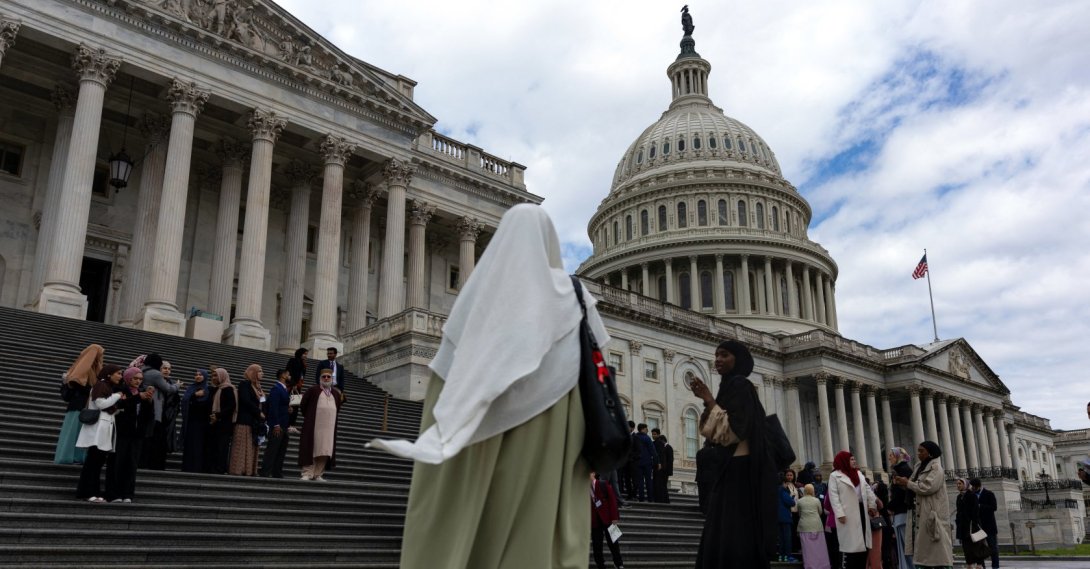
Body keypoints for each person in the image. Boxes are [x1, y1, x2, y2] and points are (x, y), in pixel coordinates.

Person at [368, 204, 606, 568]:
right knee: (541, 532)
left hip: (487, 434)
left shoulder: (483, 296)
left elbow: (447, 376)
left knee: (481, 527)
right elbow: (600, 366)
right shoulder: (576, 299)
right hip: (560, 437)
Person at [690, 340, 777, 568]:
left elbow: (734, 432)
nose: (718, 359)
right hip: (729, 470)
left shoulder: (740, 385)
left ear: (738, 359)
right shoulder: (728, 386)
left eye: (724, 355)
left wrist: (709, 400)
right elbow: (714, 434)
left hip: (739, 471)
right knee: (723, 534)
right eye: (716, 354)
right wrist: (710, 401)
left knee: (733, 534)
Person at [891, 442, 954, 569]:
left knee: (935, 551)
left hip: (931, 513)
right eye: (918, 451)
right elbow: (915, 485)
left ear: (930, 453)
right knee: (921, 552)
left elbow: (927, 487)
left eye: (922, 451)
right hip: (918, 513)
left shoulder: (936, 468)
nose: (918, 453)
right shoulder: (919, 466)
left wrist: (907, 483)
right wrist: (904, 484)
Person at [74, 365, 124, 503]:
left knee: (96, 463)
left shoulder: (105, 386)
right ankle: (87, 492)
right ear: (109, 374)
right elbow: (101, 404)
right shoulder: (101, 385)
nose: (120, 376)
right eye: (118, 373)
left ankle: (93, 492)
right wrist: (117, 396)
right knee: (93, 462)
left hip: (103, 430)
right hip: (98, 430)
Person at [55, 355, 110, 465]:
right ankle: (71, 456)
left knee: (81, 433)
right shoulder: (80, 372)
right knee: (74, 432)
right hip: (79, 407)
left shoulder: (94, 372)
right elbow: (83, 388)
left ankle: (79, 456)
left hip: (84, 407)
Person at [111, 367, 154, 502]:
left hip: (137, 435)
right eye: (135, 378)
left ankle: (128, 494)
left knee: (132, 464)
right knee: (118, 463)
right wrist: (136, 398)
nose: (138, 381)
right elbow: (119, 406)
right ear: (128, 378)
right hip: (122, 433)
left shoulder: (142, 393)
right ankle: (115, 493)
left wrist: (148, 402)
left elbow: (148, 416)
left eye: (140, 379)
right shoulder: (120, 390)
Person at [829, 451, 878, 569]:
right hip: (847, 515)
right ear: (844, 461)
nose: (854, 461)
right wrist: (840, 513)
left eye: (854, 459)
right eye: (851, 459)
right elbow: (833, 496)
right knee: (849, 548)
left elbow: (868, 491)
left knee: (862, 547)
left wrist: (872, 505)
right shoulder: (835, 476)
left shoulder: (859, 474)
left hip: (861, 512)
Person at [298, 368, 344, 480]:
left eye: (329, 377)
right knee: (312, 448)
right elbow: (303, 405)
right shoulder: (313, 390)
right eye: (324, 377)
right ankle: (307, 473)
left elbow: (337, 408)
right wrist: (309, 417)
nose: (326, 378)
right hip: (314, 425)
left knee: (325, 450)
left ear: (332, 379)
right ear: (320, 378)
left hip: (329, 427)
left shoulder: (336, 394)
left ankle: (318, 473)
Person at [140, 353, 178, 470]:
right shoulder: (156, 375)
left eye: (169, 369)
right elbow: (168, 389)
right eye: (164, 367)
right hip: (155, 413)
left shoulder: (143, 371)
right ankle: (150, 464)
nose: (166, 370)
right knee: (152, 440)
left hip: (155, 413)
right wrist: (177, 385)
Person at [228, 364, 264, 476]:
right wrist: (258, 412)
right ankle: (238, 469)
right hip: (244, 420)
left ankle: (249, 469)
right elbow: (245, 400)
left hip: (254, 422)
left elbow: (262, 403)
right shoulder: (245, 384)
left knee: (251, 446)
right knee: (242, 445)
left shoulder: (258, 387)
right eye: (259, 371)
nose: (262, 373)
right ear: (253, 373)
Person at [260, 369, 291, 478]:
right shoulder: (276, 389)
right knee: (272, 449)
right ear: (283, 375)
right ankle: (265, 472)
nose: (290, 376)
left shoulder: (284, 389)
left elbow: (280, 406)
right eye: (288, 374)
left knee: (281, 449)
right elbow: (273, 407)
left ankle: (276, 472)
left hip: (284, 424)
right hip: (277, 425)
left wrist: (288, 409)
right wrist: (276, 424)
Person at [887, 447, 915, 569]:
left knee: (907, 547)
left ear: (898, 456)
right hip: (901, 512)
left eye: (891, 455)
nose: (889, 457)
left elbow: (900, 493)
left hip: (903, 512)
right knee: (905, 546)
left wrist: (890, 506)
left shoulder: (901, 470)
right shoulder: (901, 469)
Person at [590, 471, 625, 569]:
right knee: (597, 544)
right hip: (595, 521)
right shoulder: (584, 489)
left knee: (614, 543)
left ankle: (619, 563)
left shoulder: (602, 484)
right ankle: (600, 565)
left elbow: (613, 501)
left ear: (593, 474)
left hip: (609, 519)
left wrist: (615, 517)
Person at [180, 369, 212, 473]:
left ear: (205, 377)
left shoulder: (207, 390)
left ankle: (197, 467)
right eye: (196, 374)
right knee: (189, 445)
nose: (198, 376)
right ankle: (187, 467)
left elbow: (207, 406)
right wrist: (194, 396)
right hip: (191, 421)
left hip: (202, 423)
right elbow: (185, 400)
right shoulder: (191, 388)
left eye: (200, 375)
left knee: (199, 446)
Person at [206, 368, 237, 474]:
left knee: (222, 447)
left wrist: (218, 416)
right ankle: (212, 467)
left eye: (216, 375)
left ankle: (220, 468)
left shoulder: (228, 389)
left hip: (224, 424)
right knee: (214, 446)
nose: (214, 378)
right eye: (213, 376)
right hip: (215, 423)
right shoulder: (215, 389)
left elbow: (231, 406)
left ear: (222, 376)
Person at [798, 483, 831, 569]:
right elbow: (820, 512)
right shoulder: (816, 500)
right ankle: (822, 565)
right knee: (819, 547)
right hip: (817, 525)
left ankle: (809, 566)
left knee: (807, 549)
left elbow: (799, 513)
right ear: (813, 490)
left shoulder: (800, 501)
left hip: (804, 526)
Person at [955, 478, 985, 569]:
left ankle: (979, 565)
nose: (958, 485)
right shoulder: (959, 497)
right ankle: (970, 565)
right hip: (963, 527)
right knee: (967, 550)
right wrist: (958, 521)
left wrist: (973, 523)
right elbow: (959, 511)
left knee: (976, 548)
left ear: (965, 484)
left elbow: (975, 512)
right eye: (957, 484)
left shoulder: (972, 495)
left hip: (973, 526)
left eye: (960, 483)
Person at [970, 478, 999, 569]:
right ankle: (982, 566)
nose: (972, 489)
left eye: (973, 487)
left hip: (989, 525)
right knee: (979, 548)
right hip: (978, 526)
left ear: (978, 486)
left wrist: (980, 506)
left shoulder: (989, 494)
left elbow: (994, 507)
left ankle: (995, 566)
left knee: (992, 547)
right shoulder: (972, 495)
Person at [633, 423, 658, 502]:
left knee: (640, 481)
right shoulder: (646, 438)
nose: (647, 430)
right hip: (647, 463)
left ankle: (641, 498)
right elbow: (652, 450)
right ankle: (650, 498)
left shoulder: (635, 437)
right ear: (643, 429)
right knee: (648, 481)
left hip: (637, 462)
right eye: (646, 428)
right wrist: (657, 461)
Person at [778, 471, 799, 562]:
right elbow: (791, 502)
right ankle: (788, 556)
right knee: (787, 538)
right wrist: (792, 498)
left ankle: (781, 556)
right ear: (783, 483)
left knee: (781, 538)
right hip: (785, 517)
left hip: (778, 517)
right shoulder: (783, 490)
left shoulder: (776, 490)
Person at [651, 429, 673, 503]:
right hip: (662, 468)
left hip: (664, 469)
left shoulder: (668, 447)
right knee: (660, 484)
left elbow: (670, 460)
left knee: (662, 484)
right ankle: (661, 499)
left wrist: (667, 470)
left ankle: (664, 499)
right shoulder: (661, 446)